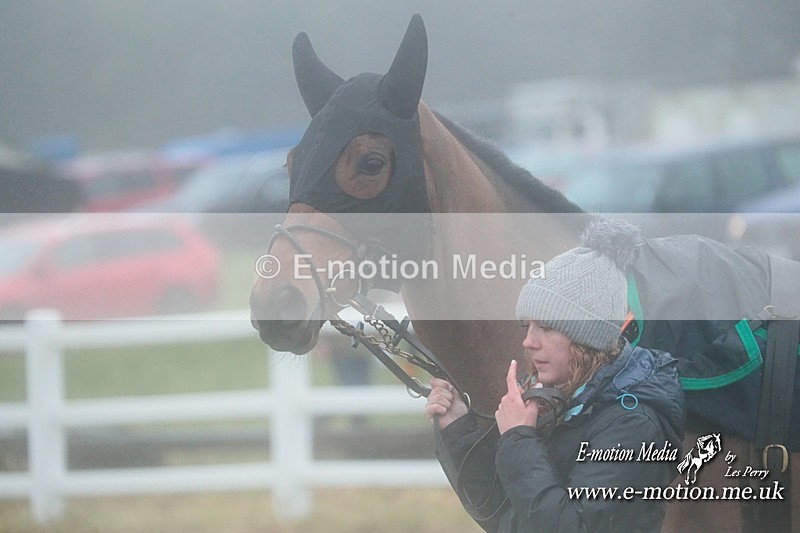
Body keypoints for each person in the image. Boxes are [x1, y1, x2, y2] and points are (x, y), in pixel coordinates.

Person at [425, 219, 685, 532]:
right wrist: (458, 428)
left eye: (546, 327)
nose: (528, 341)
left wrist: (518, 437)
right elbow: (501, 515)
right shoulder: (557, 398)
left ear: (586, 336)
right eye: (527, 326)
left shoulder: (632, 424)